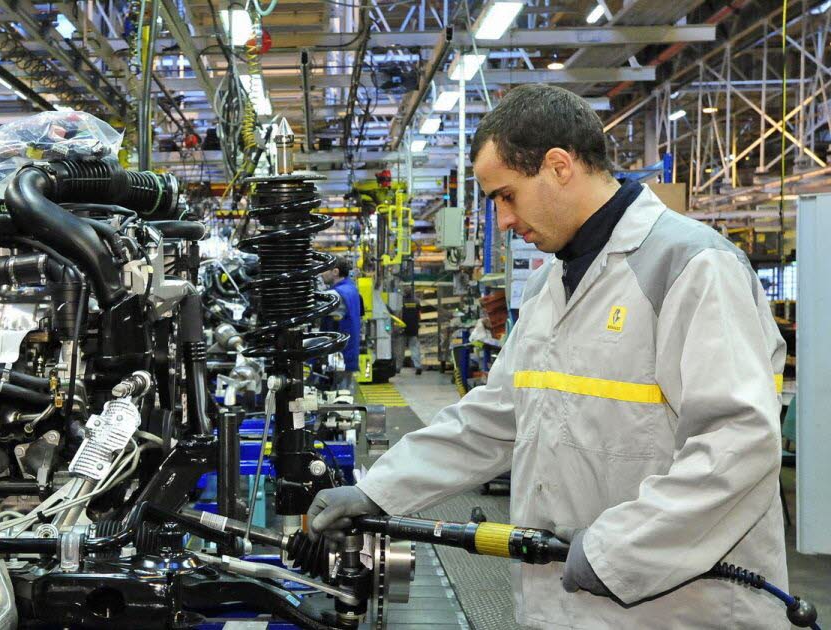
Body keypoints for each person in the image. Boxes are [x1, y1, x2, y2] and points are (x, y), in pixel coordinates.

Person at [307, 84, 787, 629]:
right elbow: (495, 419)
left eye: (506, 196)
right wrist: (377, 492)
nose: (504, 220)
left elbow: (738, 445)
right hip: (566, 603)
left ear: (559, 166)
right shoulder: (547, 287)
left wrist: (616, 550)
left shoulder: (693, 268)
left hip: (679, 608)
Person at [322, 256, 361, 391]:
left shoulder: (337, 295)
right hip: (346, 353)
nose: (322, 273)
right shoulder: (350, 288)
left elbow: (314, 305)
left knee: (339, 397)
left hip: (340, 356)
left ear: (335, 272)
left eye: (325, 270)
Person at [395, 285, 423, 375]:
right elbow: (419, 315)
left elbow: (399, 315)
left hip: (402, 329)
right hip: (413, 328)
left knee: (400, 350)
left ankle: (398, 367)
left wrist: (397, 327)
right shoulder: (417, 301)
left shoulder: (400, 301)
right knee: (415, 348)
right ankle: (418, 366)